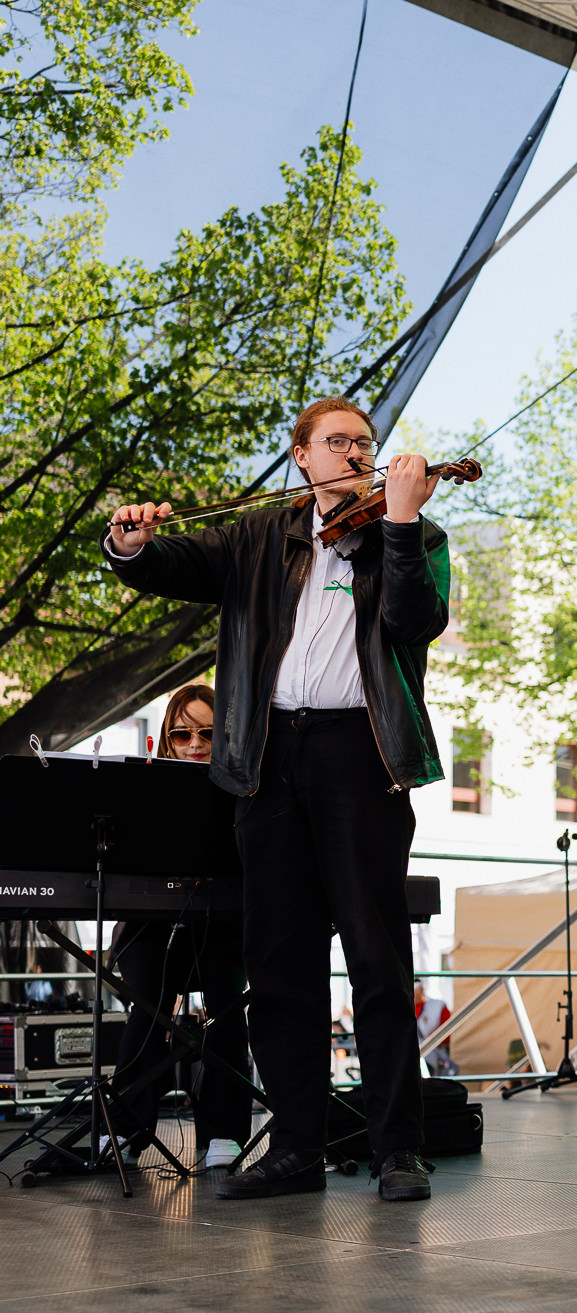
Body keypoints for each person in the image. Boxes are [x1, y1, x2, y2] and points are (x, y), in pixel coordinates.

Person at [104, 396, 448, 1202]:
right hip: (269, 754)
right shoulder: (259, 535)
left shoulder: (415, 534)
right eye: (338, 440)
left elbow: (413, 621)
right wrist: (129, 543)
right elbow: (165, 566)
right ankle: (296, 1145)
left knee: (376, 957)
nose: (356, 452)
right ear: (303, 455)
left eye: (365, 442)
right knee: (279, 962)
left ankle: (398, 1147)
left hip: (359, 753)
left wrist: (399, 525)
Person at [105, 683, 256, 1170]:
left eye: (207, 734)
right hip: (152, 922)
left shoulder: (246, 784)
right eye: (182, 734)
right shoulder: (145, 786)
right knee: (149, 1003)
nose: (194, 744)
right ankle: (125, 1126)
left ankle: (224, 1132)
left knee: (226, 1006)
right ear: (167, 737)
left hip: (223, 920)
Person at [416, 981, 454, 1078]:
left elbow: (446, 1038)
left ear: (421, 990)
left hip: (432, 1057)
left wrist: (433, 1039)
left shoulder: (438, 1006)